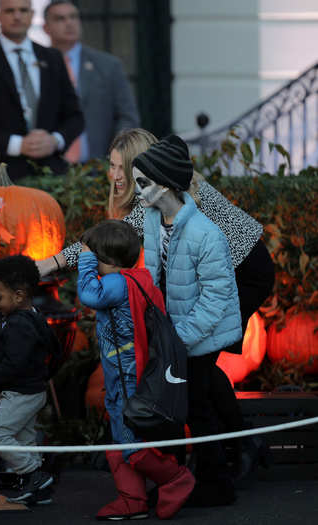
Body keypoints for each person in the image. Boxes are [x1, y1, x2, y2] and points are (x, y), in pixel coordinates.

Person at [38, 128, 275, 479]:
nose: (114, 175)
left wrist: (52, 263)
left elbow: (105, 242)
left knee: (196, 369)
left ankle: (229, 455)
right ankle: (237, 449)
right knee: (202, 370)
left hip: (244, 272)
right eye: (112, 166)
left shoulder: (167, 190)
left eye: (121, 167)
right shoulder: (155, 193)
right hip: (220, 274)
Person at [132, 135, 242, 506]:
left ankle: (216, 483)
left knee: (195, 406)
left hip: (200, 334)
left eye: (142, 182)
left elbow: (217, 296)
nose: (136, 190)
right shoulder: (151, 218)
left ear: (164, 183)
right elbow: (153, 274)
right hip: (172, 331)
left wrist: (180, 339)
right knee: (173, 409)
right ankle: (175, 479)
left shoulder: (205, 233)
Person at [77, 220, 195, 520]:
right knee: (121, 438)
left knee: (131, 442)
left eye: (94, 256)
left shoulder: (117, 283)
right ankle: (133, 499)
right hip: (125, 372)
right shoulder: (138, 278)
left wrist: (85, 260)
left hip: (127, 375)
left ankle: (174, 478)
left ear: (106, 259)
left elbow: (89, 295)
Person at [0, 0, 84, 184]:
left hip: (53, 177)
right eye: (10, 11)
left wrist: (55, 140)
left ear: (32, 14)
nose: (17, 16)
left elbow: (75, 116)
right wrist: (17, 145)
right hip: (1, 176)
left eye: (23, 10)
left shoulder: (52, 58)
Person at [0, 255, 60, 505]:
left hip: (19, 393)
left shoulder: (18, 325)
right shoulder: (36, 318)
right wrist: (45, 375)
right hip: (33, 391)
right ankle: (37, 491)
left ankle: (33, 475)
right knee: (25, 439)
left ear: (18, 296)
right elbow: (56, 350)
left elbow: (13, 365)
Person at [43, 0, 140, 164]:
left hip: (99, 168)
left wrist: (116, 154)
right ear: (46, 28)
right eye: (60, 19)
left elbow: (127, 117)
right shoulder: (37, 64)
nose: (69, 23)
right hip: (47, 169)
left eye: (73, 17)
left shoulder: (108, 65)